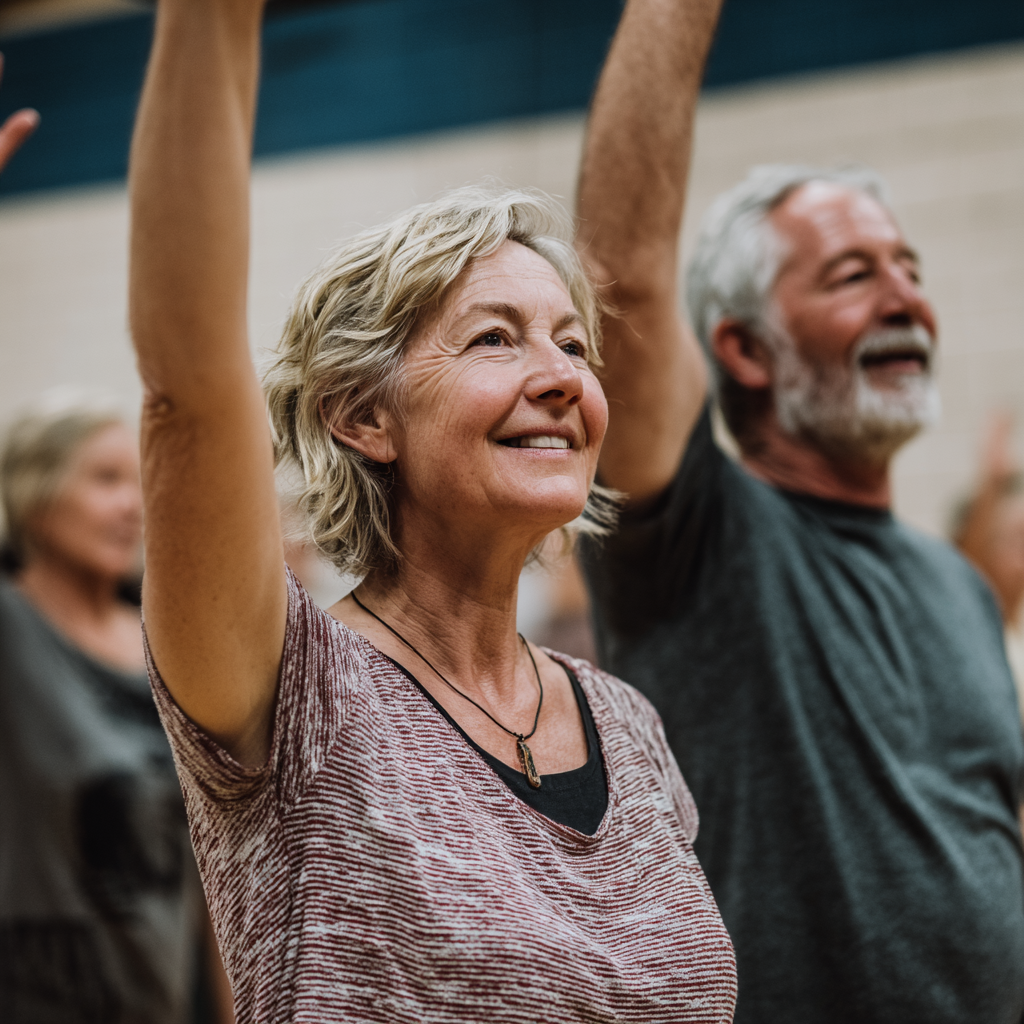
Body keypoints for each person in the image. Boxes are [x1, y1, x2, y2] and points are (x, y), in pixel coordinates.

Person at [126, 0, 737, 1021]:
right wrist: (211, 21)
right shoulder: (299, 692)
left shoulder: (626, 725)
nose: (558, 378)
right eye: (496, 337)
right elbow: (185, 392)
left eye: (573, 346)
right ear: (364, 413)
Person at [574, 0, 1024, 1021]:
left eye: (909, 269)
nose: (905, 297)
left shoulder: (954, 581)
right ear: (743, 350)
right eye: (854, 275)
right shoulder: (697, 539)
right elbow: (622, 286)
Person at [0, 392, 231, 1023]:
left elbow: (210, 857)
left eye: (140, 482)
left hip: (159, 992)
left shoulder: (166, 642)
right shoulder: (12, 629)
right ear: (34, 492)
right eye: (105, 480)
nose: (134, 506)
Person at [953, 415, 1024, 717]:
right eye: (1019, 538)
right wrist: (992, 480)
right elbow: (968, 560)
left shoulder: (1013, 634)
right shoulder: (970, 629)